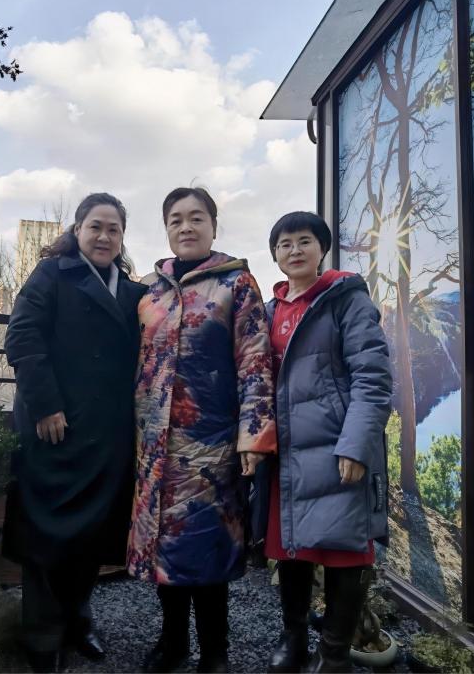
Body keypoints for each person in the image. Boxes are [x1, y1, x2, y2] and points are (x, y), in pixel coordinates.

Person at [128, 187, 277, 673]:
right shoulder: (150, 290)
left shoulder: (236, 283)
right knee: (163, 549)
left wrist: (253, 435)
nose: (186, 227)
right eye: (176, 219)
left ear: (213, 225)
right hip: (154, 446)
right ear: (166, 229)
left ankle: (215, 652)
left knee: (209, 547)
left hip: (211, 443)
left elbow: (255, 361)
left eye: (196, 217)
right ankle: (172, 644)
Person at [3, 193, 148, 673]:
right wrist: (46, 405)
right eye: (95, 227)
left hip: (107, 435)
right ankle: (42, 637)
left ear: (122, 237)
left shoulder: (131, 291)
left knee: (92, 534)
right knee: (48, 536)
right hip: (55, 429)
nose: (104, 236)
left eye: (113, 229)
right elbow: (23, 338)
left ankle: (78, 621)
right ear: (78, 230)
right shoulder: (52, 274)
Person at [258, 211, 392, 674]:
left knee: (344, 552)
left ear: (322, 249)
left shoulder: (345, 300)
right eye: (284, 244)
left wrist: (355, 445)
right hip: (286, 454)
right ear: (275, 255)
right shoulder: (270, 311)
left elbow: (372, 378)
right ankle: (294, 639)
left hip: (336, 449)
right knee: (290, 549)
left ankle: (333, 655)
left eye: (304, 241)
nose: (294, 250)